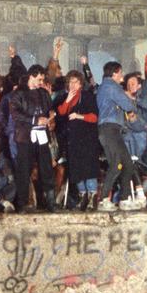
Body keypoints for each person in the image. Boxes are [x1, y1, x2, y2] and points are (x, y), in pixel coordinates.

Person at [10, 64, 55, 212]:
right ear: (31, 76)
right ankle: (22, 202)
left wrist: (51, 117)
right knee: (24, 169)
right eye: (39, 79)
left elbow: (49, 108)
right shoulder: (19, 93)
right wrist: (35, 120)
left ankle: (49, 201)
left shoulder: (43, 93)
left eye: (42, 79)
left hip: (42, 134)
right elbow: (15, 114)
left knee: (46, 167)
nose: (41, 82)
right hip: (25, 136)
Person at [53, 70, 100, 211]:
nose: (73, 85)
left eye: (76, 82)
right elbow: (61, 113)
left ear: (81, 83)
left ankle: (92, 197)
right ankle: (82, 196)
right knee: (76, 169)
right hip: (72, 140)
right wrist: (67, 100)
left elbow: (94, 117)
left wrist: (79, 116)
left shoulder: (87, 96)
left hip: (87, 139)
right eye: (70, 82)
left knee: (88, 168)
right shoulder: (64, 97)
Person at [97, 61, 139, 211]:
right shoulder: (111, 86)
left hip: (113, 129)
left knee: (127, 163)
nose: (122, 76)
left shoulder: (106, 86)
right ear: (115, 73)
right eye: (120, 73)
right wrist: (130, 101)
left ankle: (124, 198)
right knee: (116, 164)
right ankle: (103, 200)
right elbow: (127, 105)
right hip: (109, 129)